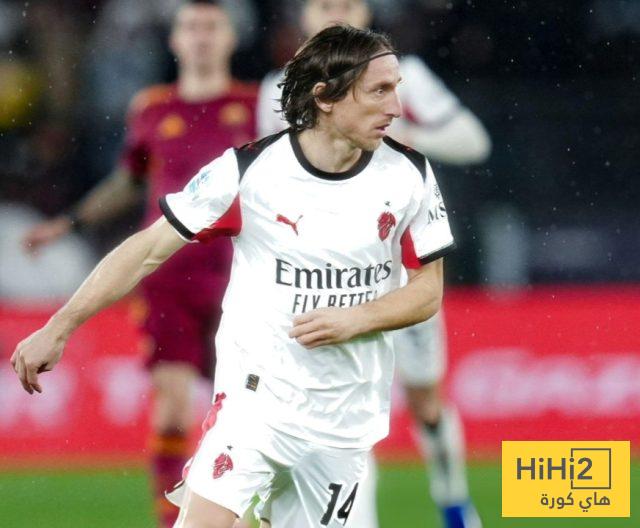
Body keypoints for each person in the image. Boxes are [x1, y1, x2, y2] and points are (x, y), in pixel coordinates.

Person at [12, 24, 455, 528]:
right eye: (379, 90)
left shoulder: (409, 175)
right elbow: (147, 249)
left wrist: (356, 318)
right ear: (325, 97)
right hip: (254, 405)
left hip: (343, 420)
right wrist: (60, 326)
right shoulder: (250, 172)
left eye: (396, 88)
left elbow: (427, 291)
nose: (396, 107)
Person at [21, 1, 256, 526]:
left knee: (243, 415)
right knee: (172, 411)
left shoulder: (258, 104)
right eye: (191, 27)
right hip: (169, 277)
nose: (200, 36)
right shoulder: (151, 107)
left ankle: (241, 513)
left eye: (211, 27)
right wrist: (72, 222)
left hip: (240, 277)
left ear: (229, 38)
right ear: (174, 40)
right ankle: (171, 522)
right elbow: (129, 180)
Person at [257, 1, 489, 527]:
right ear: (303, 15)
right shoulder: (278, 86)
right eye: (324, 4)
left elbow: (474, 141)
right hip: (319, 278)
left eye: (347, 4)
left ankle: (453, 500)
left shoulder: (404, 76)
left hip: (399, 274)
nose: (335, 13)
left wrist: (410, 139)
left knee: (425, 402)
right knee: (336, 412)